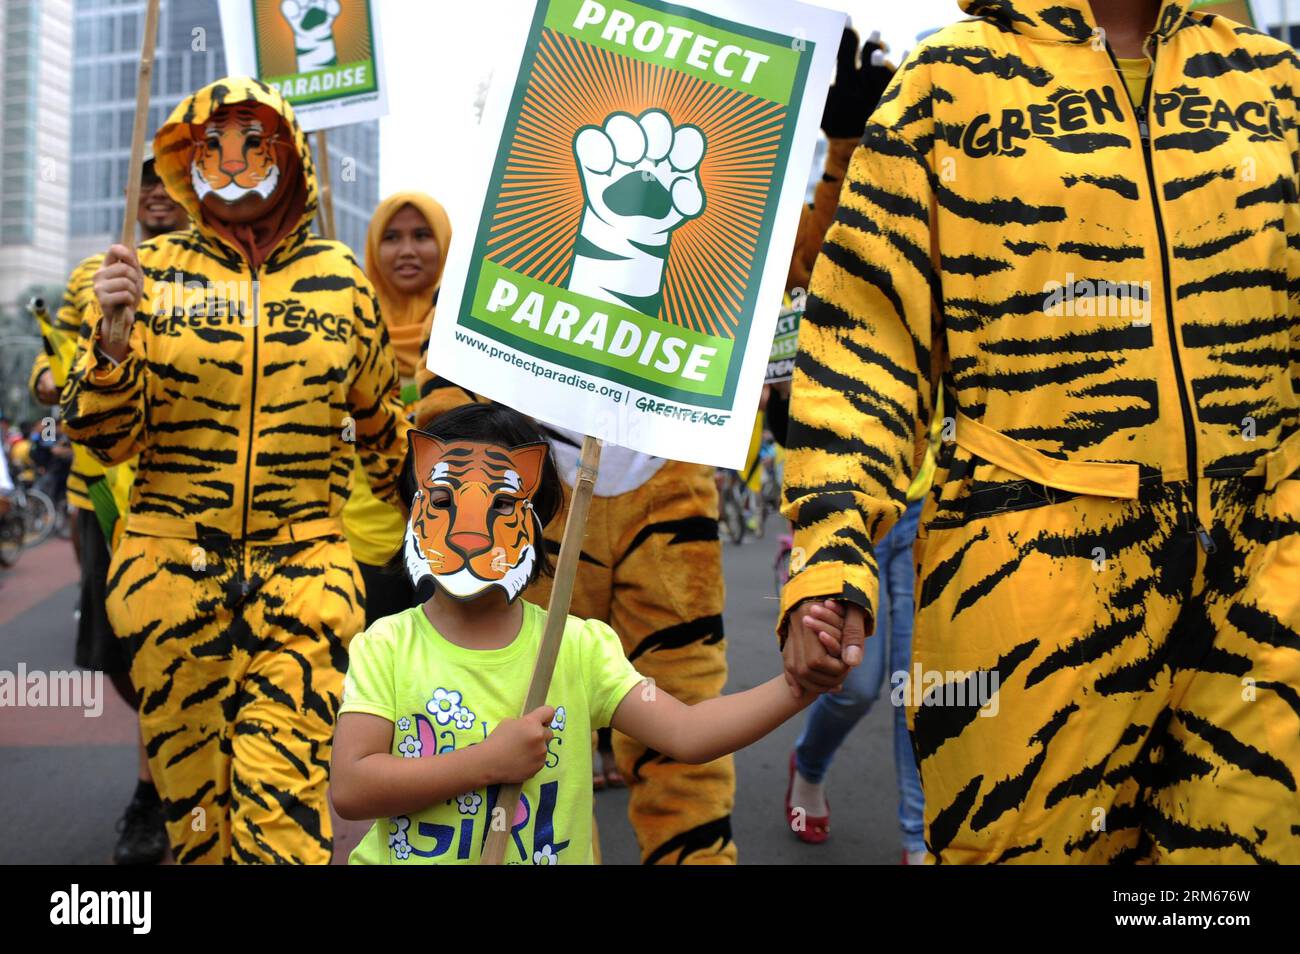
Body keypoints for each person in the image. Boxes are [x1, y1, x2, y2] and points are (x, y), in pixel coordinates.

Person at [780, 0, 1300, 864]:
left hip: (1266, 586)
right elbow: (864, 343)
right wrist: (831, 553)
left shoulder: (1275, 83)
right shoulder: (945, 85)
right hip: (1022, 595)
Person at [62, 76, 410, 864]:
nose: (235, 159)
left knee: (281, 801)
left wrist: (438, 549)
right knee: (195, 813)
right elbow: (104, 439)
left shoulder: (343, 279)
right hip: (169, 573)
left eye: (256, 142)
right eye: (213, 144)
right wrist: (110, 347)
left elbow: (385, 429)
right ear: (188, 158)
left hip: (305, 569)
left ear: (290, 156)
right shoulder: (140, 275)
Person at [330, 403, 845, 864]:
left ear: (543, 522)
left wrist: (797, 687)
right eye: (441, 501)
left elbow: (687, 733)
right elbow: (353, 787)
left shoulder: (577, 647)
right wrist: (484, 763)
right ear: (412, 510)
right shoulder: (387, 645)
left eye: (503, 506)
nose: (469, 532)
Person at [30, 153, 187, 865]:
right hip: (99, 493)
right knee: (118, 653)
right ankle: (169, 756)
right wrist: (53, 376)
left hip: (187, 496)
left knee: (184, 650)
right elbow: (53, 362)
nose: (156, 192)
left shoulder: (213, 280)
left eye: (170, 179)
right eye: (145, 180)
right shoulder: (87, 276)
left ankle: (156, 791)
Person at [343, 192, 452, 626]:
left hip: (454, 543)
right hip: (362, 545)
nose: (407, 250)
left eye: (422, 235)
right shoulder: (349, 328)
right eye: (391, 237)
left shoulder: (465, 337)